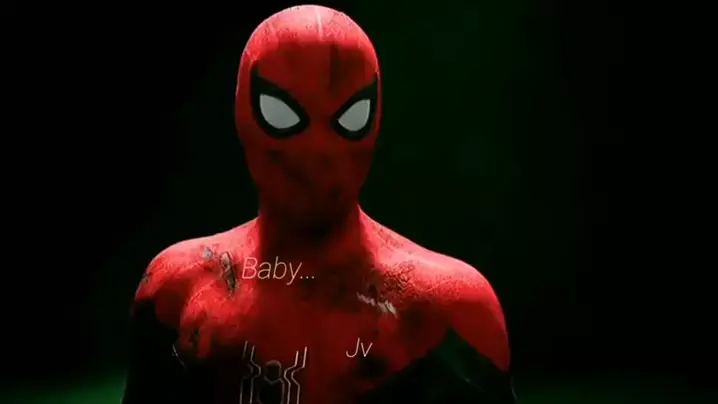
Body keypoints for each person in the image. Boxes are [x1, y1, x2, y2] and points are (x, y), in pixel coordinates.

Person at [122, 5, 517, 404]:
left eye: (349, 117)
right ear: (244, 111)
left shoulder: (451, 312)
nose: (318, 151)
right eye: (282, 113)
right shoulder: (177, 293)